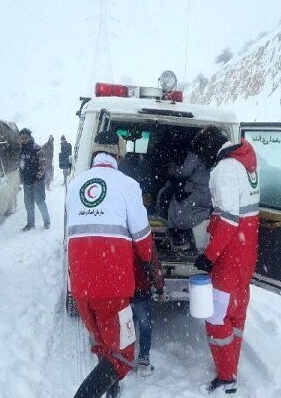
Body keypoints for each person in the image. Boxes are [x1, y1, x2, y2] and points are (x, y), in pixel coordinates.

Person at [66, 130, 153, 398]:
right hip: (113, 287)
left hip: (81, 286)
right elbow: (142, 236)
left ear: (94, 154)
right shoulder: (127, 185)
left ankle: (112, 390)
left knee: (104, 344)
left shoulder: (75, 184)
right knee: (124, 355)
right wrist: (148, 263)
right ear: (119, 154)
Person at [190, 125, 260, 396]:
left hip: (229, 258)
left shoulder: (225, 170)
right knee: (237, 315)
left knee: (217, 317)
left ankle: (227, 378)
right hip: (246, 255)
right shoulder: (246, 164)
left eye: (202, 155)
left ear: (209, 150)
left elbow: (229, 219)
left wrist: (208, 257)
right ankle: (231, 367)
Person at [165, 148, 211, 252]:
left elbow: (184, 172)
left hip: (199, 191)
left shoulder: (196, 154)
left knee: (177, 210)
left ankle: (181, 238)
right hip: (207, 192)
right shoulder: (208, 153)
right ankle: (185, 236)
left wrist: (174, 172)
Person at [132, 242, 166, 377]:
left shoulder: (119, 235)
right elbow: (153, 266)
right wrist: (159, 288)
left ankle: (124, 358)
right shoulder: (144, 239)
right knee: (145, 325)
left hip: (122, 289)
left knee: (125, 326)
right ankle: (143, 360)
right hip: (140, 290)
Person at [18, 128, 50, 231]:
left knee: (40, 201)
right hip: (27, 181)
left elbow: (43, 164)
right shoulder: (21, 149)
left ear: (29, 137)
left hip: (37, 181)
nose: (23, 140)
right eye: (21, 138)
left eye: (25, 138)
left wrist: (38, 176)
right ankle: (30, 224)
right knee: (28, 204)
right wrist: (21, 176)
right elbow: (21, 164)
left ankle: (47, 222)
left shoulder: (37, 148)